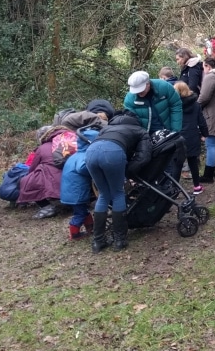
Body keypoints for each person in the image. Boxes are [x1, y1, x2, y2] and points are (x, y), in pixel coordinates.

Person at [84, 111, 152, 253]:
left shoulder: (107, 128)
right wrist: (129, 171)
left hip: (90, 153)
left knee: (103, 194)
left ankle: (98, 241)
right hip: (113, 153)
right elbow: (144, 156)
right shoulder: (139, 130)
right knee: (117, 194)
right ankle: (119, 240)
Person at [60, 106, 108, 240]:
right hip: (76, 192)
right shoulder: (85, 156)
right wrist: (96, 170)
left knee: (83, 211)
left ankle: (90, 228)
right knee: (79, 214)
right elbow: (83, 168)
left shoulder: (76, 154)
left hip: (70, 190)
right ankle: (74, 233)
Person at [124, 71, 183, 135]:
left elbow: (176, 105)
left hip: (166, 131)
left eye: (141, 89)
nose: (138, 92)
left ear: (148, 84)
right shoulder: (130, 98)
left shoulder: (164, 87)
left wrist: (175, 130)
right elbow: (131, 121)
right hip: (145, 135)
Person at [174, 81, 208, 194]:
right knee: (193, 162)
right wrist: (204, 134)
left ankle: (174, 188)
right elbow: (201, 121)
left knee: (177, 164)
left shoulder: (174, 105)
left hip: (178, 137)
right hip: (192, 136)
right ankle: (197, 186)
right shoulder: (196, 104)